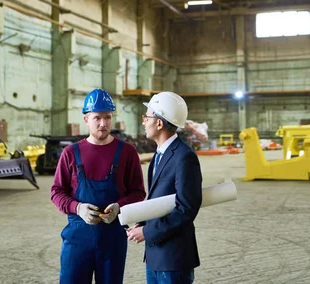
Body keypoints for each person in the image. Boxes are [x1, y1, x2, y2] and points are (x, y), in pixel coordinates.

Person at [51, 88, 146, 284]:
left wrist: (120, 207)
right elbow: (56, 192)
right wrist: (77, 208)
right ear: (86, 119)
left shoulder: (127, 152)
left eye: (108, 117)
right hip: (78, 240)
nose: (103, 124)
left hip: (112, 241)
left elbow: (138, 192)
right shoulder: (71, 152)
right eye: (97, 118)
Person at [127, 91, 202, 284]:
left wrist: (147, 233)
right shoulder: (159, 155)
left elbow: (186, 209)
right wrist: (143, 223)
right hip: (156, 256)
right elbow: (159, 200)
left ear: (159, 123)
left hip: (174, 258)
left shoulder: (184, 157)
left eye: (147, 117)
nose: (143, 121)